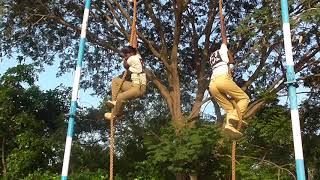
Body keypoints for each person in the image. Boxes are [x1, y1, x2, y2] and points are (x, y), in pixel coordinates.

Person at [208, 43, 249, 138]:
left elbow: (230, 62)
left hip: (212, 85)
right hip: (222, 80)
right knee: (244, 99)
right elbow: (224, 40)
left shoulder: (213, 57)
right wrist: (223, 27)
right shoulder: (222, 50)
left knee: (230, 109)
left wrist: (231, 69)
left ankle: (229, 125)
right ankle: (234, 117)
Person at [104, 46, 147, 120]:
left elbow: (125, 65)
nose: (125, 56)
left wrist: (125, 58)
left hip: (139, 88)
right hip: (134, 85)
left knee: (120, 97)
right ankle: (115, 102)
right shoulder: (137, 56)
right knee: (116, 81)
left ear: (131, 53)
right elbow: (135, 54)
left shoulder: (133, 58)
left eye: (126, 54)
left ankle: (115, 114)